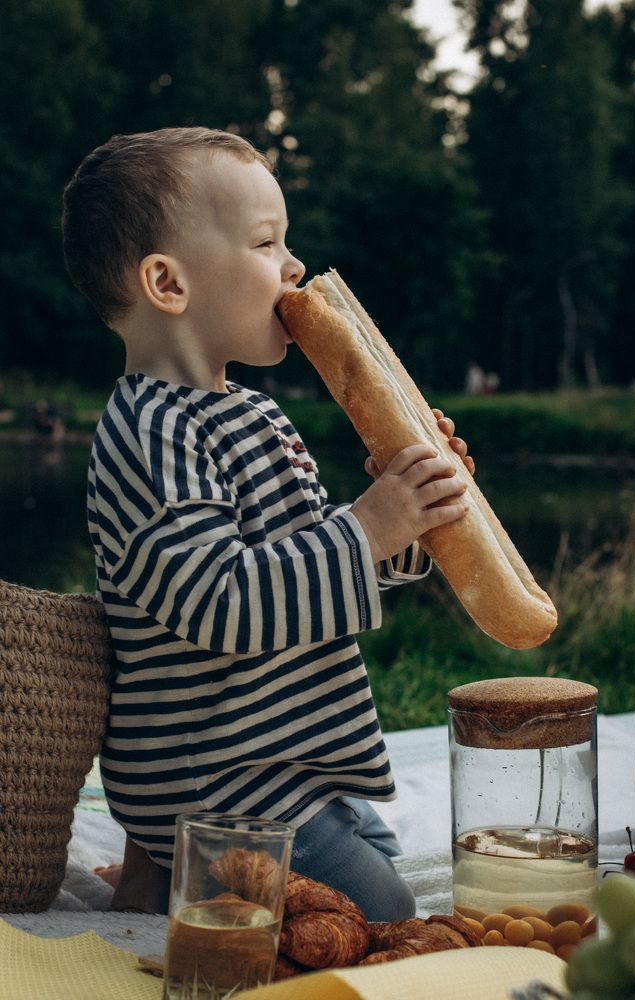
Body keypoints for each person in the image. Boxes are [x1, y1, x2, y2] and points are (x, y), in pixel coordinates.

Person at [61, 127, 474, 919]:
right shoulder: (150, 432)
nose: (294, 267)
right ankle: (173, 864)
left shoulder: (251, 411)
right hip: (215, 776)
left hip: (291, 764)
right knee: (383, 915)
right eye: (265, 242)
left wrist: (411, 517)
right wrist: (365, 529)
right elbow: (223, 602)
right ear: (167, 283)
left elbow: (303, 557)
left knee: (377, 882)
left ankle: (161, 878)